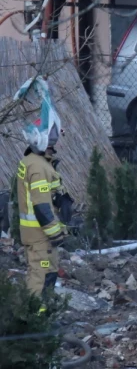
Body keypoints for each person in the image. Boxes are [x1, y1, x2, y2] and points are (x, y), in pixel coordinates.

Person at [16, 107, 67, 307]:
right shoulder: (38, 167)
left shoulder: (32, 160)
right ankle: (34, 320)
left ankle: (43, 314)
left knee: (48, 271)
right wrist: (57, 233)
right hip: (40, 236)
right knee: (41, 274)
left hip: (37, 235)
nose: (56, 140)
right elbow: (41, 206)